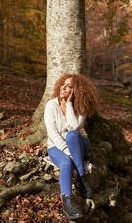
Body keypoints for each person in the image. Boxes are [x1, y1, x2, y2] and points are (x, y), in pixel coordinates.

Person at [44, 73, 98, 220]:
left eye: (69, 86)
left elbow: (74, 128)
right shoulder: (51, 105)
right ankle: (68, 202)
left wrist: (69, 104)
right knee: (66, 163)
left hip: (80, 143)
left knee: (72, 135)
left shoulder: (81, 108)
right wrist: (69, 154)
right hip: (56, 146)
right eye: (63, 84)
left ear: (76, 91)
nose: (64, 88)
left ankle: (81, 175)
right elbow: (52, 133)